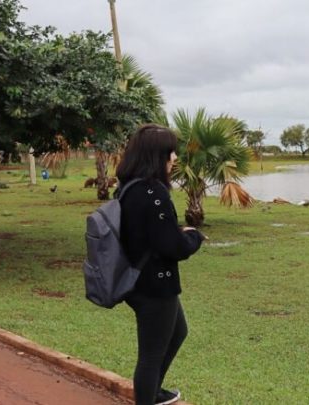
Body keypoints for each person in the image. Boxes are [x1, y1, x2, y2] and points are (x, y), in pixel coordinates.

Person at [116, 124, 206, 405]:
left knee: (178, 332)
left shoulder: (129, 187)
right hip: (153, 285)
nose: (175, 158)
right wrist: (195, 238)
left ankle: (153, 392)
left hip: (138, 279)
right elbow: (171, 247)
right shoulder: (153, 192)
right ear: (157, 156)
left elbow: (149, 234)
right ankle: (147, 396)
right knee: (151, 356)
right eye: (171, 152)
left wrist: (174, 233)